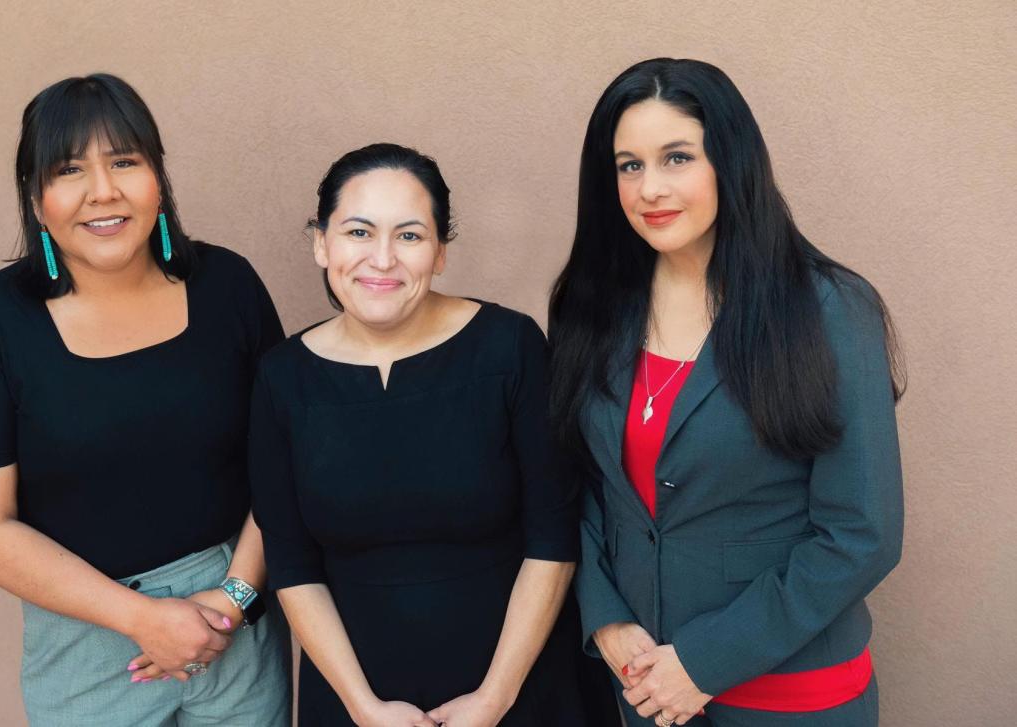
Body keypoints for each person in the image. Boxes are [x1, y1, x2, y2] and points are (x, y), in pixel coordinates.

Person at [550, 58, 905, 727]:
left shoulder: (829, 309)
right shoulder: (593, 307)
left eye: (676, 157)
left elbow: (862, 533)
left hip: (790, 695)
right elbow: (590, 483)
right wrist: (606, 617)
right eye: (629, 165)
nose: (650, 187)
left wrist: (705, 662)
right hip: (646, 686)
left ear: (730, 162)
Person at [0, 73, 290, 726]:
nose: (104, 191)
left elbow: (283, 462)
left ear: (159, 177)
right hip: (90, 639)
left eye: (125, 161)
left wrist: (234, 597)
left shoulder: (228, 287)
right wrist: (142, 618)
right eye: (70, 170)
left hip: (234, 615)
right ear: (37, 198)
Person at [248, 143, 587, 727]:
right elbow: (291, 562)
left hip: (522, 690)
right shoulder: (282, 377)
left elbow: (554, 539)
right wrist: (363, 707)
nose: (382, 260)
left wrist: (495, 699)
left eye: (409, 236)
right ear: (321, 243)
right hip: (357, 700)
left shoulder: (511, 346)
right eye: (358, 232)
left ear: (440, 252)